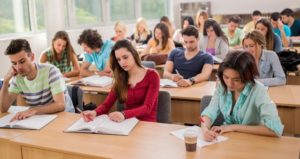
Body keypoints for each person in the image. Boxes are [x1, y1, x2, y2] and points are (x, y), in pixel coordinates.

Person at [201, 50, 284, 142]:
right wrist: (205, 129)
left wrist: (233, 127)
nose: (229, 84)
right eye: (226, 77)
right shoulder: (222, 86)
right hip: (228, 140)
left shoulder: (258, 90)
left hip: (253, 141)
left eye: (236, 80)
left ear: (247, 76)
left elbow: (275, 130)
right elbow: (209, 112)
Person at [81, 40, 160, 122]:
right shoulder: (121, 78)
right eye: (118, 59)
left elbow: (147, 108)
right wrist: (94, 112)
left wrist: (124, 114)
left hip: (147, 124)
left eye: (125, 57)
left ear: (133, 54)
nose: (122, 62)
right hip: (128, 123)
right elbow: (106, 105)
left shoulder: (152, 75)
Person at [0, 39, 74, 121]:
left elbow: (60, 105)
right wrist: (6, 81)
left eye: (22, 61)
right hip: (40, 118)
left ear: (32, 57)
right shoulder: (17, 78)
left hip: (64, 116)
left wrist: (32, 111)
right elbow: (3, 108)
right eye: (14, 63)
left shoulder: (51, 71)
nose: (18, 67)